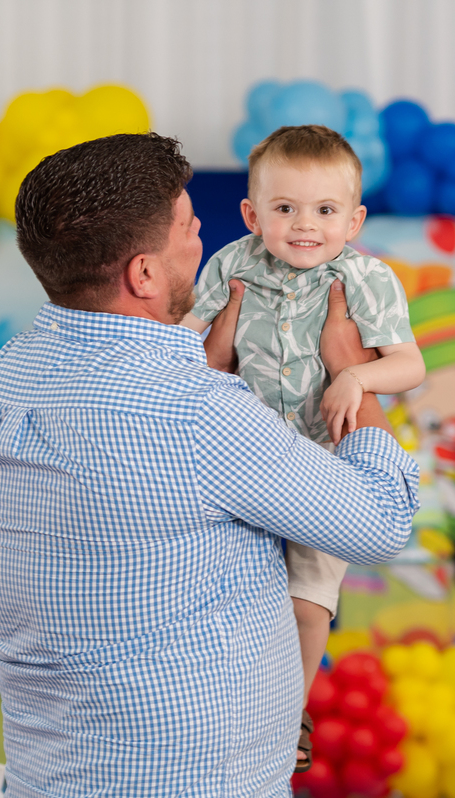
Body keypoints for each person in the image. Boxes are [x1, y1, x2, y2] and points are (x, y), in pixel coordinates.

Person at [0, 133, 419, 797]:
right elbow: (382, 522)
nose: (202, 235)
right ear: (144, 275)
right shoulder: (196, 413)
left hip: (47, 776)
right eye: (186, 227)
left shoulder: (2, 383)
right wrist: (352, 371)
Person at [181, 126, 425, 723]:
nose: (304, 225)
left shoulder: (366, 279)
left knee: (308, 601)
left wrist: (356, 377)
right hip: (245, 461)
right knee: (232, 598)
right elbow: (183, 339)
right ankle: (232, 708)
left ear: (354, 220)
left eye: (325, 210)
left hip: (325, 465)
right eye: (285, 209)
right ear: (252, 215)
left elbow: (409, 364)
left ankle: (291, 715)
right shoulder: (232, 264)